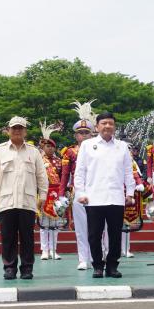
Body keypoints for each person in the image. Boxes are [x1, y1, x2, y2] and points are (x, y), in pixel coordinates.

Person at [0, 116, 48, 280]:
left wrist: (43, 195)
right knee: (8, 237)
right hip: (6, 201)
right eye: (14, 128)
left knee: (27, 237)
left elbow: (42, 176)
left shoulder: (34, 152)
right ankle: (9, 267)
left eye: (20, 128)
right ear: (8, 131)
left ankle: (27, 268)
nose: (17, 131)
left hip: (27, 201)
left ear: (25, 131)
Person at [74, 112, 135, 279]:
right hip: (93, 198)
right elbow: (79, 172)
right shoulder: (87, 145)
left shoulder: (122, 146)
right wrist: (81, 193)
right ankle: (98, 266)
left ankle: (113, 266)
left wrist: (130, 192)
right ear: (97, 126)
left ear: (114, 127)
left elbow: (128, 172)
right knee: (94, 235)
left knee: (116, 235)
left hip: (115, 198)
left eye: (110, 123)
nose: (107, 126)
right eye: (104, 123)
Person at [59, 101, 96, 270]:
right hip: (78, 191)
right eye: (80, 133)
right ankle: (83, 258)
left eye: (87, 132)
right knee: (81, 227)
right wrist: (61, 194)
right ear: (76, 136)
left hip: (97, 191)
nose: (84, 135)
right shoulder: (70, 152)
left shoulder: (98, 149)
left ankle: (97, 256)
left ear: (92, 134)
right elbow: (65, 174)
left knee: (98, 227)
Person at [38, 121, 63, 260]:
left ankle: (54, 249)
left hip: (56, 195)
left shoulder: (59, 161)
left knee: (56, 223)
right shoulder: (39, 160)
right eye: (47, 146)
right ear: (43, 147)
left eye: (52, 147)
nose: (50, 149)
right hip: (43, 194)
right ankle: (44, 250)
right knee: (43, 223)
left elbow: (63, 178)